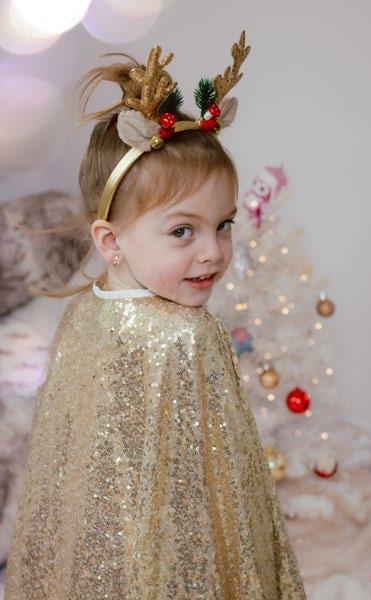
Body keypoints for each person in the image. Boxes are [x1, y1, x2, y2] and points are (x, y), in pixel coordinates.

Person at [4, 32, 307, 599]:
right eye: (183, 231)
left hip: (105, 550)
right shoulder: (187, 333)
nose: (213, 251)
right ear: (110, 241)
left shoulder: (88, 308)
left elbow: (216, 461)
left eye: (223, 225)